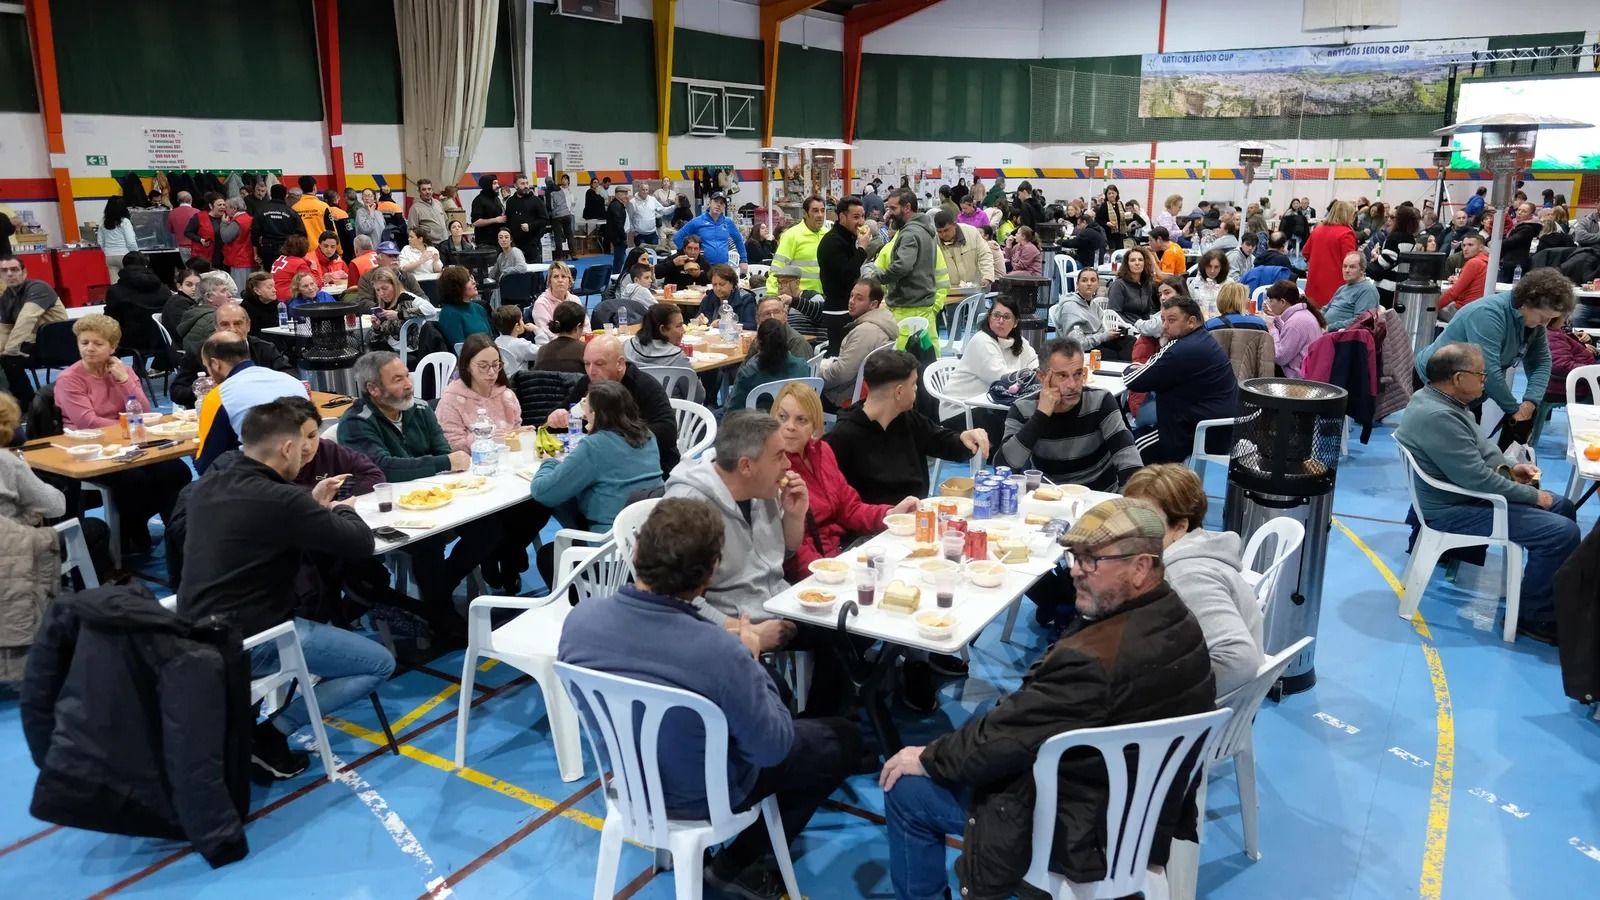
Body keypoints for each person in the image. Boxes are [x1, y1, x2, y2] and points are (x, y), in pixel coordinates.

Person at [880, 497, 1216, 900]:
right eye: (1074, 556)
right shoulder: (1181, 618)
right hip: (1151, 814)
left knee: (904, 789)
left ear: (1141, 567)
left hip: (1084, 828)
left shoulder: (1093, 662)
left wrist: (927, 756)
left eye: (1091, 560)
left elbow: (1001, 740)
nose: (1075, 570)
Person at [557, 497, 859, 900]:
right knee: (843, 740)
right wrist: (751, 657)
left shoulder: (579, 623)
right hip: (709, 796)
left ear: (635, 552)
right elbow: (773, 748)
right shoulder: (719, 652)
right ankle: (741, 864)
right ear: (711, 574)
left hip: (631, 783)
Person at [178, 398, 393, 780]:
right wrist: (343, 508)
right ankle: (271, 732)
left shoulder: (211, 482)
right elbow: (358, 543)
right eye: (305, 441)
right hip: (253, 639)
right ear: (288, 448)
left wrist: (309, 510)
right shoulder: (282, 499)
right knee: (379, 663)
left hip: (191, 625)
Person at [1396, 342, 1577, 644]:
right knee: (1562, 533)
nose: (1486, 381)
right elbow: (1476, 479)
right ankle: (1532, 616)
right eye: (1481, 375)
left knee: (1564, 507)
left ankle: (1541, 597)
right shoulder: (1438, 416)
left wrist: (1510, 468)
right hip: (1453, 509)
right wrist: (1532, 497)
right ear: (1457, 378)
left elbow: (1482, 451)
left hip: (1464, 496)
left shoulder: (1443, 401)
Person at [339, 351, 506, 617]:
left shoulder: (419, 408)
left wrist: (442, 462)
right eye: (397, 379)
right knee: (428, 544)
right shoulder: (356, 423)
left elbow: (442, 450)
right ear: (374, 389)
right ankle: (441, 615)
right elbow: (384, 469)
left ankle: (441, 591)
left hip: (434, 500)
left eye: (407, 375)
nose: (408, 383)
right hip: (389, 513)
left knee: (490, 527)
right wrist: (443, 463)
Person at [53, 314, 190, 553]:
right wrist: (128, 427)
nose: (90, 349)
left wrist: (125, 380)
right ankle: (132, 529)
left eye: (98, 343)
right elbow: (87, 422)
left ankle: (177, 535)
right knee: (133, 479)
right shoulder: (69, 379)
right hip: (93, 449)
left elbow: (144, 411)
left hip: (129, 443)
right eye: (84, 343)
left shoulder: (122, 370)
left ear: (113, 347)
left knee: (175, 470)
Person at [1123, 464, 1264, 696]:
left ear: (1180, 527)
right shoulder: (1195, 547)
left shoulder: (1186, 576)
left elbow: (1239, 660)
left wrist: (1157, 692)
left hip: (1196, 721)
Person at [662, 411, 805, 634]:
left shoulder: (763, 489)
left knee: (849, 634)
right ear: (746, 466)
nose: (787, 464)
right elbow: (677, 599)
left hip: (779, 604)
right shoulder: (690, 504)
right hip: (732, 627)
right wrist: (747, 632)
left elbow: (779, 557)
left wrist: (795, 516)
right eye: (779, 456)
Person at [771, 381, 916, 582]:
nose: (789, 427)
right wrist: (831, 575)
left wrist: (890, 514)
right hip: (814, 573)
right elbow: (791, 551)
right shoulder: (774, 470)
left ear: (815, 425)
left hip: (842, 555)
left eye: (801, 420)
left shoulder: (823, 452)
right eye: (782, 417)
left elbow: (850, 508)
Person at [828, 350, 989, 505]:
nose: (916, 389)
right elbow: (840, 503)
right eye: (913, 384)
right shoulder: (843, 437)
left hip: (917, 517)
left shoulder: (907, 419)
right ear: (899, 392)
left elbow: (939, 440)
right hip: (874, 527)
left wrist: (963, 439)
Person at [1418, 268, 1574, 428]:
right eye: (1543, 317)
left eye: (1551, 319)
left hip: (1470, 388)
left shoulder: (1533, 324)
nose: (1545, 324)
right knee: (1451, 444)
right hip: (1438, 383)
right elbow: (1489, 371)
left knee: (1470, 442)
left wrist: (1530, 402)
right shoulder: (1488, 314)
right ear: (1525, 303)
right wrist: (1513, 409)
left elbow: (1541, 362)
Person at [531, 379, 664, 530]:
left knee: (558, 495)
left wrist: (549, 462)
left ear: (595, 414)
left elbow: (543, 492)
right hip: (648, 529)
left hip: (608, 540)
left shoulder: (594, 446)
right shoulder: (648, 435)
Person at [1124, 297, 1239, 464]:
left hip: (1197, 432)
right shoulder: (1202, 339)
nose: (1164, 326)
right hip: (1219, 427)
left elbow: (1134, 380)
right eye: (1163, 320)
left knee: (1128, 448)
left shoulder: (1181, 349)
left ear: (1191, 322)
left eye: (1171, 320)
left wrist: (1130, 368)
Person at [548, 335, 679, 474]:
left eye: (599, 364)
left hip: (651, 467)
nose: (591, 371)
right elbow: (564, 415)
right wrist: (556, 418)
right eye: (587, 364)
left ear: (620, 364)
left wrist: (617, 439)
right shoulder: (588, 383)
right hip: (605, 464)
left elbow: (668, 431)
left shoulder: (643, 385)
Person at [193, 333, 309, 473]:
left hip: (257, 477)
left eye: (207, 367)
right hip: (306, 466)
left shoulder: (219, 395)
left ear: (216, 364)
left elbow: (207, 464)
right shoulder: (292, 381)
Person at [170, 299, 295, 408]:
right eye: (224, 324)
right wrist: (201, 389)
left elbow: (290, 377)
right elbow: (177, 392)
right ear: (216, 328)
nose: (232, 329)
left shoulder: (264, 348)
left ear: (248, 325)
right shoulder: (199, 351)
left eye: (238, 323)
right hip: (214, 410)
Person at [940, 293, 1038, 426]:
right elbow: (1001, 380)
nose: (1000, 321)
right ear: (989, 317)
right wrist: (1027, 377)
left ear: (1015, 323)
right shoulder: (982, 341)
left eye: (1006, 317)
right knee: (1017, 428)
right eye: (996, 315)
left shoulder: (1019, 342)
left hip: (992, 406)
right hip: (961, 409)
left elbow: (1035, 366)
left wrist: (1028, 376)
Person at [818, 277, 898, 407]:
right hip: (864, 391)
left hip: (846, 397)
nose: (851, 301)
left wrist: (817, 375)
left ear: (873, 304)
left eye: (859, 298)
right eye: (851, 296)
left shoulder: (866, 332)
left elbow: (842, 373)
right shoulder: (882, 323)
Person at [435, 334, 521, 452]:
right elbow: (452, 445)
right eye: (483, 366)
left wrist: (520, 434)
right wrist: (490, 439)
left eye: (496, 365)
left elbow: (515, 429)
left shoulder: (506, 395)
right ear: (467, 366)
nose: (491, 372)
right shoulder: (451, 400)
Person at [877, 190, 945, 332]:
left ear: (907, 207)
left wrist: (878, 278)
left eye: (893, 208)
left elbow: (902, 266)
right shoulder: (926, 230)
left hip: (907, 310)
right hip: (925, 308)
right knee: (927, 352)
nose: (889, 213)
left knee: (902, 353)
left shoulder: (909, 233)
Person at [817, 196, 871, 352]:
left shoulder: (849, 238)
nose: (861, 222)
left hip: (849, 307)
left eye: (862, 216)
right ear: (842, 217)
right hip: (837, 311)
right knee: (840, 356)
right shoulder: (832, 242)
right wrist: (861, 249)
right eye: (856, 217)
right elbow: (847, 275)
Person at [727, 319, 811, 411]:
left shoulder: (748, 374)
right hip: (793, 420)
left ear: (757, 343)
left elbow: (733, 410)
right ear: (786, 341)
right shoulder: (803, 366)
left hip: (757, 423)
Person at [103, 251, 170, 361]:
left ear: (124, 266)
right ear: (146, 265)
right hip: (161, 339)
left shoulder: (115, 291)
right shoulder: (164, 289)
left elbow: (109, 319)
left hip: (129, 341)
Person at [367, 267, 438, 357]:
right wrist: (376, 328)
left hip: (410, 352)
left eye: (384, 288)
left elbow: (431, 310)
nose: (381, 293)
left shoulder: (406, 297)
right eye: (377, 290)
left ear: (394, 285)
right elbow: (376, 340)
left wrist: (399, 315)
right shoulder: (383, 304)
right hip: (391, 350)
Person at [1264, 280, 1326, 378]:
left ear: (1282, 302)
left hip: (1298, 379)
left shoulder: (1295, 322)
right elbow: (1288, 332)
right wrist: (1276, 320)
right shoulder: (1303, 314)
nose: (1269, 304)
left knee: (1261, 361)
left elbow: (1280, 357)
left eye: (1271, 301)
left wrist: (1272, 330)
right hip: (1310, 371)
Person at [767, 196, 827, 295]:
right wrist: (772, 295)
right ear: (805, 213)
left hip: (824, 296)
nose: (820, 215)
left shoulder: (827, 234)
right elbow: (777, 269)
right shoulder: (791, 235)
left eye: (822, 211)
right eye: (815, 211)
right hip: (800, 297)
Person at [674, 191, 746, 268]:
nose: (718, 205)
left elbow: (739, 240)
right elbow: (677, 238)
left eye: (721, 203)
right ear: (709, 203)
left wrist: (744, 260)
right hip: (703, 267)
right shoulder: (697, 221)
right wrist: (688, 255)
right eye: (715, 201)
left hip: (723, 267)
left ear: (724, 206)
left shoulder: (728, 222)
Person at [176, 272, 241, 356]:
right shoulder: (214, 319)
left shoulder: (194, 312)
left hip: (192, 361)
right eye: (223, 291)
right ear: (209, 297)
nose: (229, 295)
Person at [435, 265, 492, 347]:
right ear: (456, 287)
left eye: (472, 278)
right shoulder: (450, 314)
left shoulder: (479, 308)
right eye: (468, 280)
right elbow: (458, 349)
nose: (474, 282)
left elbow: (491, 338)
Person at [624, 301, 692, 370]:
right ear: (662, 329)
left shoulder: (627, 347)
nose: (683, 331)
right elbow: (692, 380)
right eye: (679, 326)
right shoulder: (677, 357)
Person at [1323, 251, 1381, 330]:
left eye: (1352, 267)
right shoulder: (1342, 288)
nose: (1347, 270)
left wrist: (1329, 327)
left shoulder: (1368, 290)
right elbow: (1326, 309)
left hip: (1342, 336)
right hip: (1325, 331)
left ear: (1362, 270)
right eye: (1345, 266)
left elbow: (1361, 321)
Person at [591, 262, 655, 329]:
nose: (650, 280)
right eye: (647, 278)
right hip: (639, 322)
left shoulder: (628, 287)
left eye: (650, 277)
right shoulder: (643, 290)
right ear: (636, 280)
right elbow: (657, 308)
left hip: (626, 320)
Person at [1108, 246, 1159, 329]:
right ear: (1127, 264)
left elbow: (1151, 309)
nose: (1137, 263)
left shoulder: (1148, 283)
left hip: (1146, 327)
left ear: (1145, 263)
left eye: (1140, 260)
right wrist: (1135, 325)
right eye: (1132, 260)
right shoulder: (1119, 285)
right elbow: (1115, 314)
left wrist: (1152, 323)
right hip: (1127, 329)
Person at [184, 193, 236, 271]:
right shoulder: (199, 217)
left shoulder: (228, 217)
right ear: (211, 206)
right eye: (219, 205)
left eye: (224, 205)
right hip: (205, 255)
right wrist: (200, 239)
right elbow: (188, 232)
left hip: (224, 256)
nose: (222, 207)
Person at [504, 175, 549, 263]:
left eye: (527, 183)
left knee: (535, 273)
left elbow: (545, 220)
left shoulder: (536, 201)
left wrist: (530, 226)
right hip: (515, 245)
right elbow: (508, 222)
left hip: (532, 244)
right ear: (515, 186)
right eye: (522, 184)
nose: (526, 186)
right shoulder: (510, 202)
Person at [698, 264, 758, 330]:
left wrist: (725, 324)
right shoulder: (709, 298)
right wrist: (700, 321)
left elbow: (752, 325)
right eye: (714, 285)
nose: (718, 288)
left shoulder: (746, 299)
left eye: (722, 284)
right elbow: (699, 319)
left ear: (732, 283)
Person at [531, 260, 578, 338]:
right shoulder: (541, 304)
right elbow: (548, 334)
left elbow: (585, 327)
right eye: (556, 277)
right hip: (553, 346)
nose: (560, 280)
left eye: (563, 276)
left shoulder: (575, 300)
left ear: (569, 281)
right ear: (549, 281)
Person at [1499, 201, 1542, 282]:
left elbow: (1511, 241)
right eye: (1519, 210)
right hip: (1509, 261)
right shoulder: (1517, 224)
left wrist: (1496, 243)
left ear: (1531, 215)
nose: (1519, 213)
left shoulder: (1527, 228)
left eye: (1524, 211)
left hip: (1515, 264)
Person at [99, 197, 140, 281]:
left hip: (108, 256)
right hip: (124, 255)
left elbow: (100, 242)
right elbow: (131, 242)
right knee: (129, 282)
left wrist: (106, 251)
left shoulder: (103, 222)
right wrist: (136, 253)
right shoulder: (125, 222)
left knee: (115, 282)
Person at [491, 304, 538, 373]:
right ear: (517, 326)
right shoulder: (521, 344)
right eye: (521, 320)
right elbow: (543, 352)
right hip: (519, 381)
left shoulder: (496, 342)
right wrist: (537, 330)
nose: (523, 322)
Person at [1203, 282, 1269, 332]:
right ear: (1241, 301)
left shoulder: (1209, 326)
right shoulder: (1259, 323)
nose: (1249, 300)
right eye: (1247, 297)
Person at [270, 232, 317, 300]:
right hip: (290, 298)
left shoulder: (279, 259)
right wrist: (314, 269)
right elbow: (315, 285)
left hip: (275, 297)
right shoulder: (299, 263)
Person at [291, 177, 333, 245]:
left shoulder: (294, 208)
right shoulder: (324, 206)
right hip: (322, 249)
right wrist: (339, 249)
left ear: (301, 189)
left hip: (302, 249)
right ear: (314, 187)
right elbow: (332, 230)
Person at [470, 174, 507, 247]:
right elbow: (476, 222)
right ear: (487, 185)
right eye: (494, 183)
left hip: (498, 240)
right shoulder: (479, 200)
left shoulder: (496, 199)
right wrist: (495, 220)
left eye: (497, 183)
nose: (498, 186)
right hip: (485, 243)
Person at [406, 178, 447, 244]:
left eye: (429, 189)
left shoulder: (438, 203)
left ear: (432, 190)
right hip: (430, 245)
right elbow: (411, 230)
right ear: (419, 191)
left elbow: (445, 221)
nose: (427, 192)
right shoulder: (415, 208)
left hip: (445, 242)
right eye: (424, 189)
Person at [604, 184, 631, 278]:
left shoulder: (618, 205)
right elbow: (618, 223)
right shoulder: (616, 206)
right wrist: (623, 237)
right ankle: (616, 279)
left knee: (619, 260)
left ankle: (616, 277)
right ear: (618, 194)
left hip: (618, 236)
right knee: (619, 261)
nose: (626, 196)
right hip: (618, 238)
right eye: (624, 193)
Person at [545, 175, 572, 260]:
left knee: (558, 236)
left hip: (557, 216)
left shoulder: (548, 191)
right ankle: (574, 254)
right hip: (567, 214)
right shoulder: (560, 189)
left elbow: (550, 206)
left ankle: (559, 256)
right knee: (569, 234)